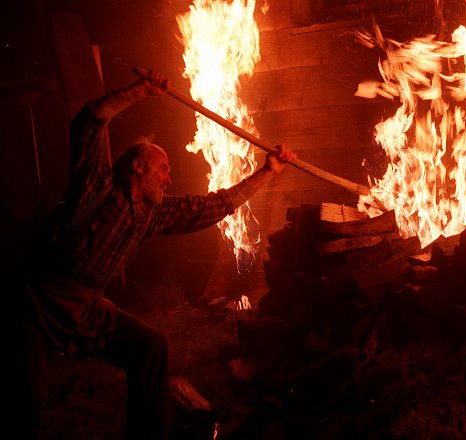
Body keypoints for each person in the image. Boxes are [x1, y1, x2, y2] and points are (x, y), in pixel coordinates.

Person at [8, 70, 295, 439]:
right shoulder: (95, 188)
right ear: (137, 166)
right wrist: (138, 91)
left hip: (86, 307)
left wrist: (267, 172)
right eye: (163, 169)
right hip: (37, 301)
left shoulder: (155, 213)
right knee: (28, 403)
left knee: (150, 345)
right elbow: (89, 121)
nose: (169, 179)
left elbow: (215, 205)